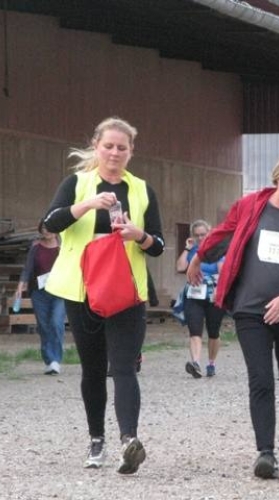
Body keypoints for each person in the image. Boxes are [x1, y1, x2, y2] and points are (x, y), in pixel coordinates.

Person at [187, 150, 279, 479]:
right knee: (261, 378)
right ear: (276, 177)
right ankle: (265, 452)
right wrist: (199, 256)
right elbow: (223, 233)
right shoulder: (251, 204)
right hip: (251, 309)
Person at [42, 117, 165, 474]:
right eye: (108, 146)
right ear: (96, 146)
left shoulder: (142, 190)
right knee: (93, 369)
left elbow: (158, 245)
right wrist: (87, 205)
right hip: (82, 290)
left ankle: (129, 441)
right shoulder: (77, 183)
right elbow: (50, 223)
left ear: (131, 152)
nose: (114, 152)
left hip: (126, 291)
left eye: (121, 147)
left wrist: (138, 235)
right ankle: (97, 439)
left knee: (124, 366)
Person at [176, 219, 225, 378]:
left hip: (212, 294)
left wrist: (219, 290)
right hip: (194, 294)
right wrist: (187, 248)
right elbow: (180, 267)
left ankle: (211, 363)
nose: (200, 237)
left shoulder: (216, 250)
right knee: (194, 330)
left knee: (213, 331)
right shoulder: (192, 250)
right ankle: (195, 363)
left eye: (203, 234)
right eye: (197, 235)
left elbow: (222, 272)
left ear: (209, 233)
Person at [16, 220, 66, 375]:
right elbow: (27, 268)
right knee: (44, 326)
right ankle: (49, 360)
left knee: (56, 323)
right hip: (39, 293)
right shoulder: (36, 247)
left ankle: (56, 360)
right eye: (43, 228)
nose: (46, 231)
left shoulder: (63, 246)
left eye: (49, 228)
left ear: (56, 229)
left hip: (59, 291)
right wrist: (20, 286)